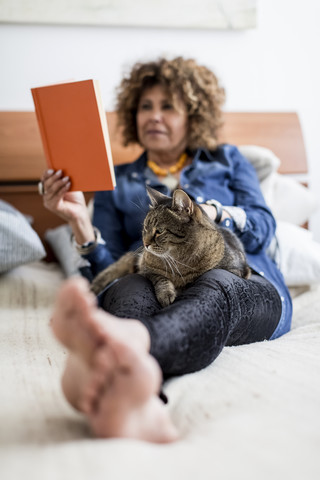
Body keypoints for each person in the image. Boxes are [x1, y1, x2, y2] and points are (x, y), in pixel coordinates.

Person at [40, 57, 292, 443]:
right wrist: (79, 223)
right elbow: (105, 270)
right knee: (127, 290)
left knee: (216, 286)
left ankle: (123, 351)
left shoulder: (227, 160)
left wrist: (215, 212)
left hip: (243, 282)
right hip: (154, 279)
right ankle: (134, 397)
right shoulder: (117, 180)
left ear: (193, 114)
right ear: (132, 114)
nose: (154, 116)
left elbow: (264, 227)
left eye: (168, 106)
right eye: (145, 106)